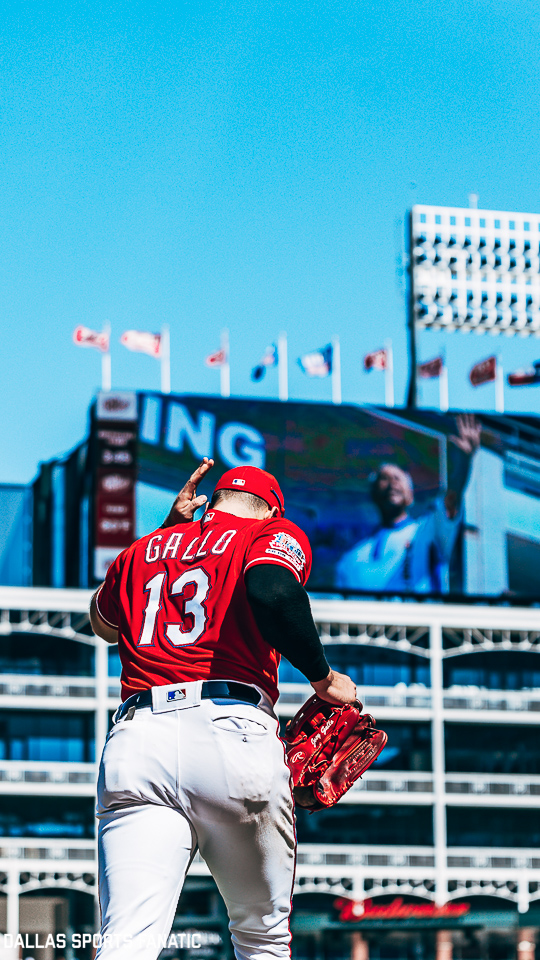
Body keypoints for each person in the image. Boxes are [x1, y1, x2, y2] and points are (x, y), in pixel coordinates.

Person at [89, 459, 356, 960]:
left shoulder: (142, 549)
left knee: (127, 940)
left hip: (138, 740)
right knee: (261, 938)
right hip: (230, 727)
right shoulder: (269, 532)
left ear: (211, 502)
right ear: (270, 511)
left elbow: (103, 623)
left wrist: (167, 533)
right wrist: (323, 678)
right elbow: (272, 589)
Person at [336, 414, 481, 593]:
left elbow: (452, 497)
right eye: (384, 479)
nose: (392, 483)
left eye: (398, 478)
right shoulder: (351, 561)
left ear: (410, 496)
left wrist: (464, 462)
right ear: (374, 494)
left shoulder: (429, 530)